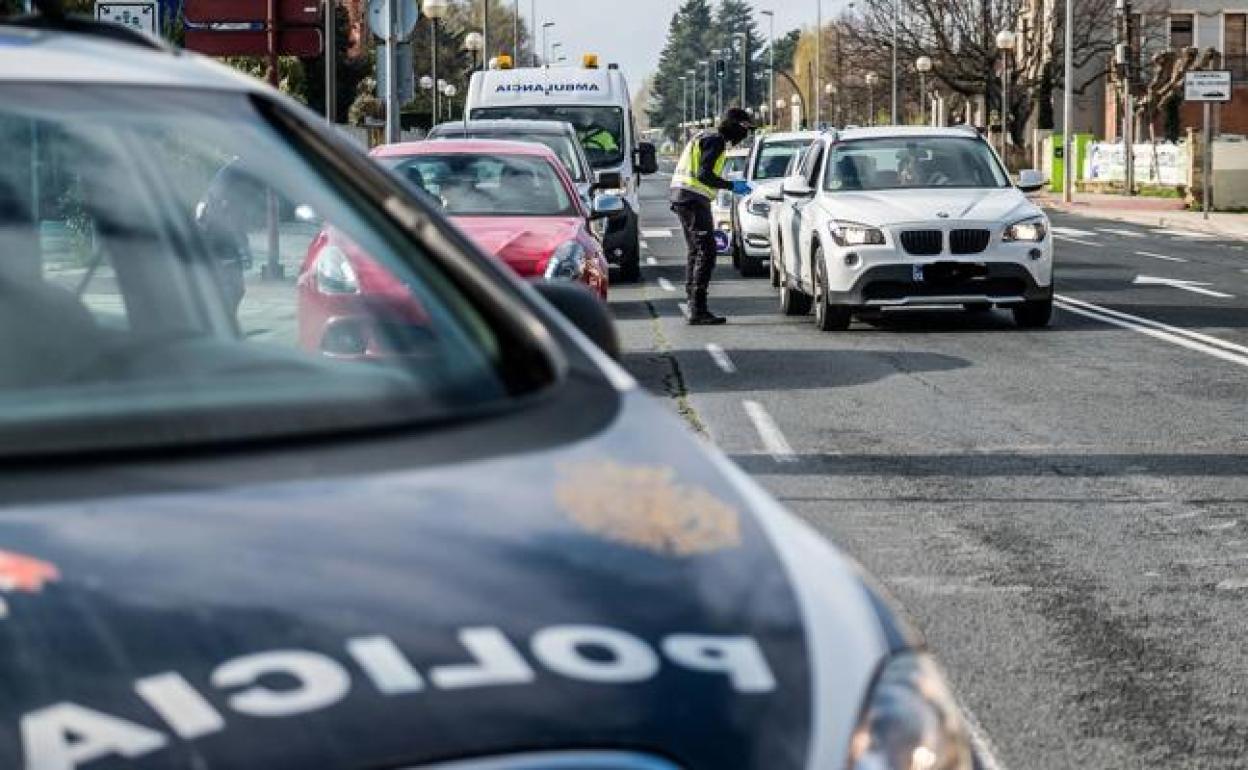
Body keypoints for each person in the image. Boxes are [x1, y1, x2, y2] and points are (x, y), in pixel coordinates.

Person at [669, 107, 754, 325]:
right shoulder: (715, 140)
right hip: (693, 197)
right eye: (745, 127)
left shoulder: (704, 135)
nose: (746, 133)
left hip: (683, 196)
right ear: (734, 124)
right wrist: (730, 185)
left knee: (695, 250)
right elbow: (704, 175)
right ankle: (698, 308)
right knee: (706, 251)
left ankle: (693, 303)